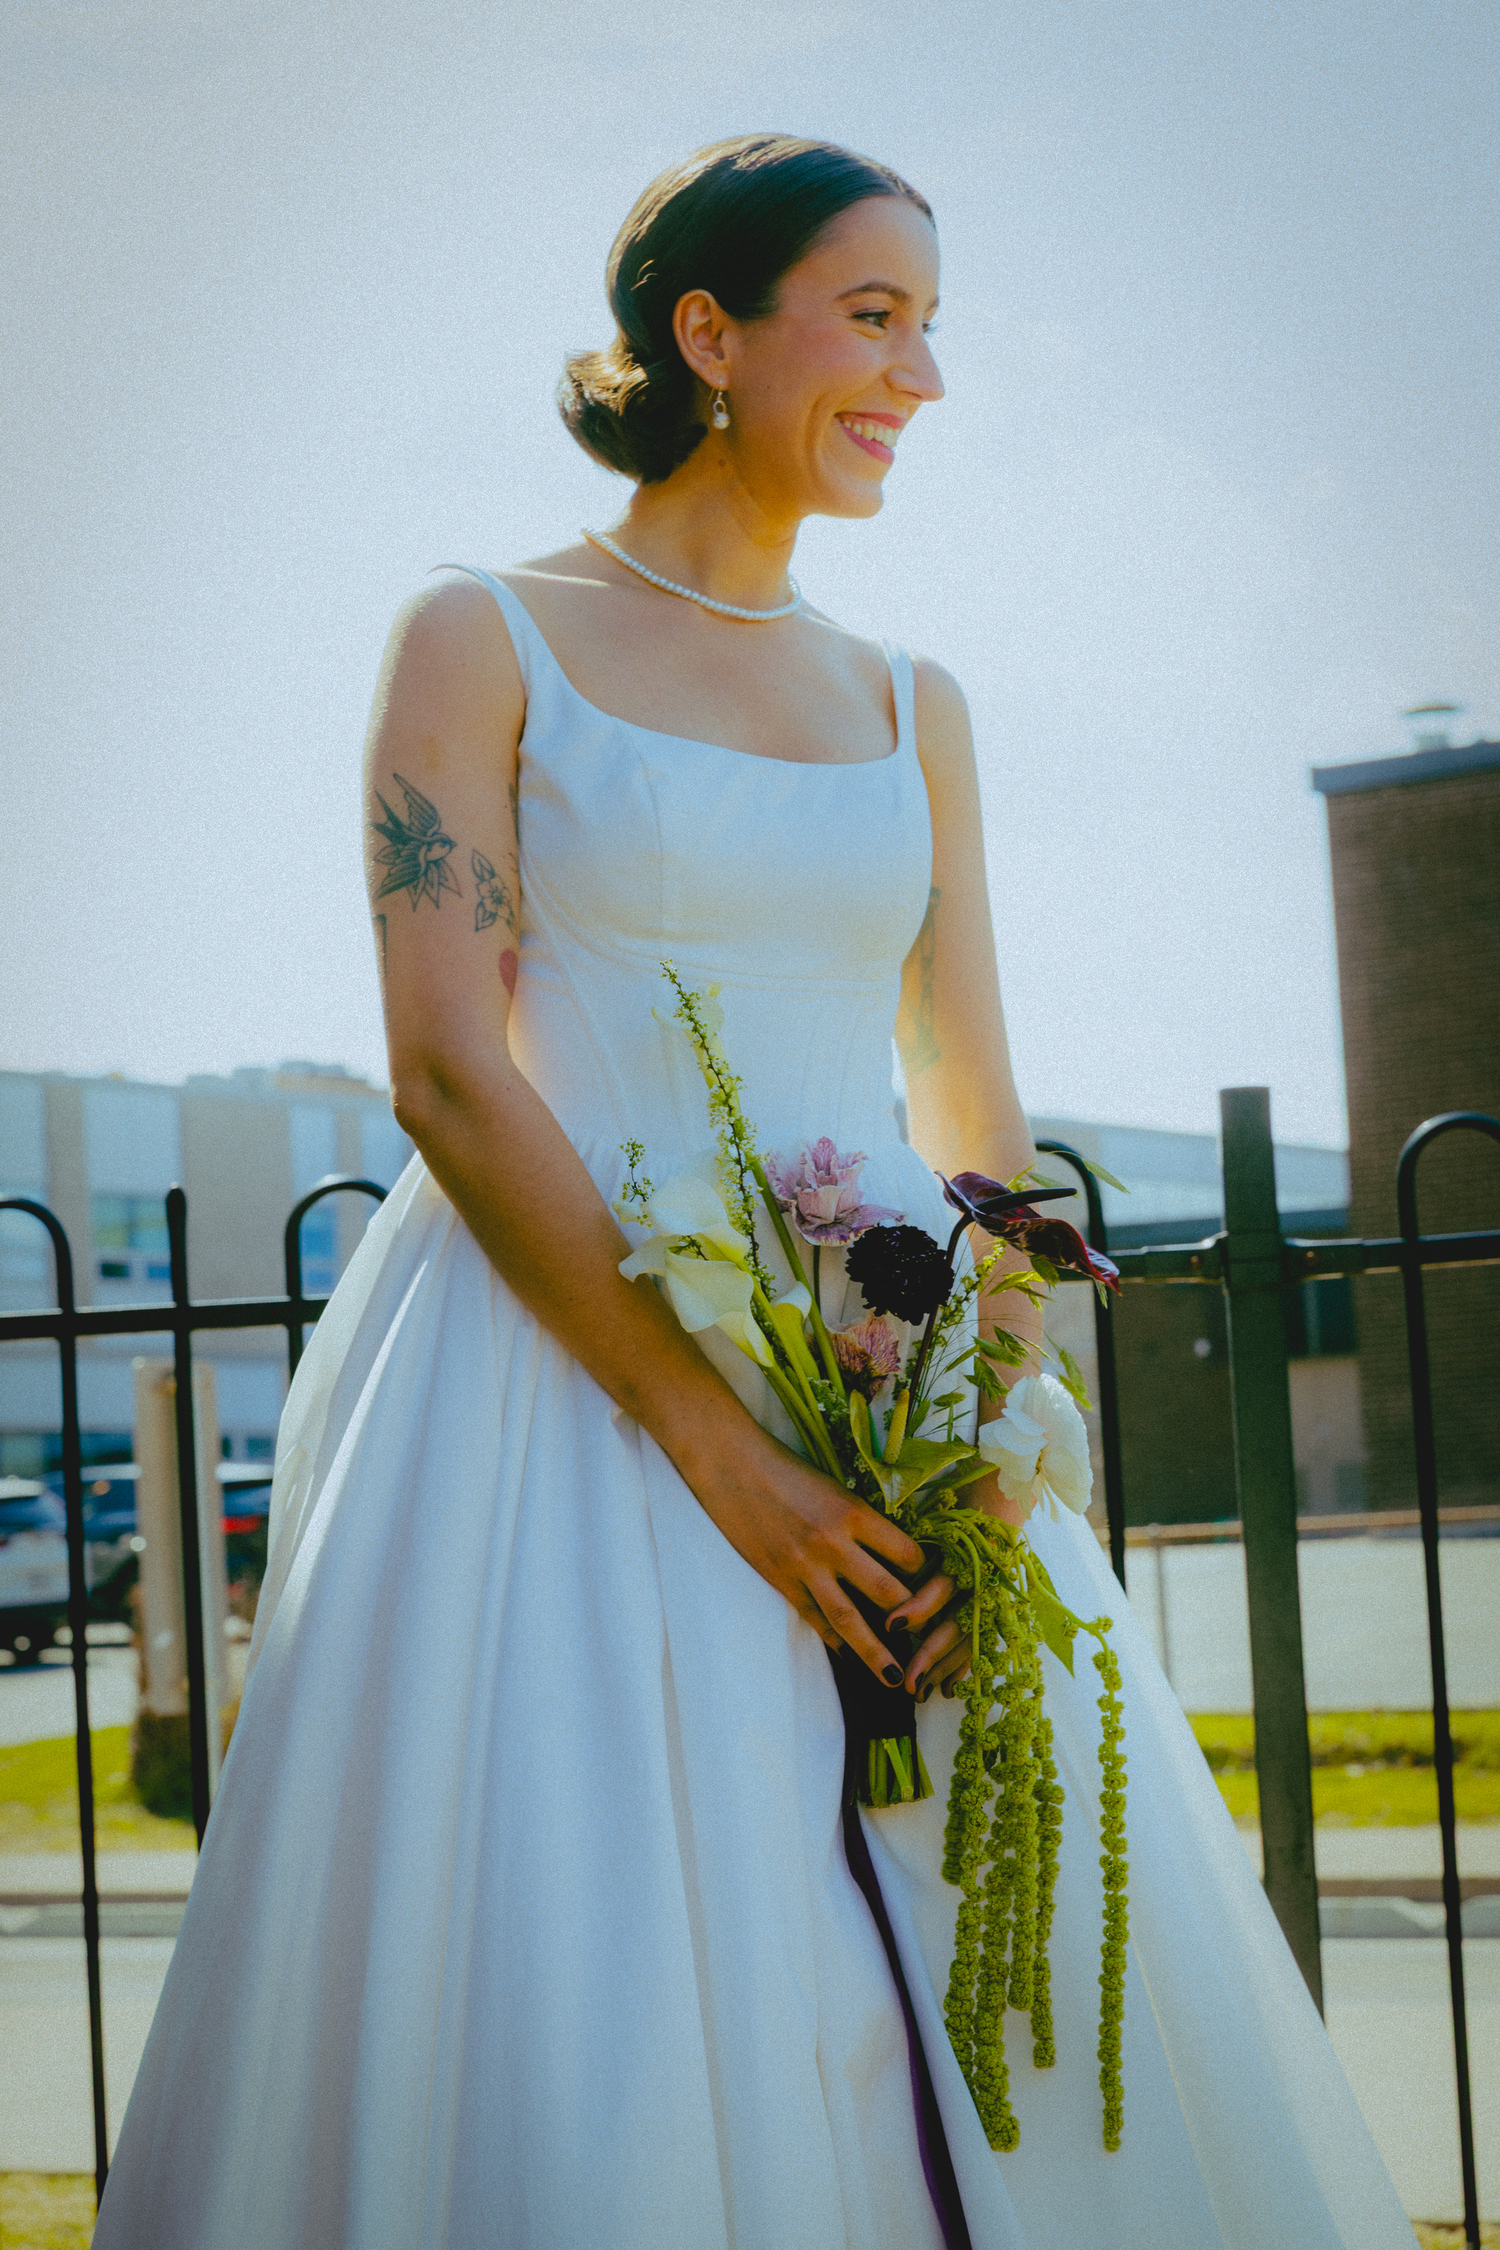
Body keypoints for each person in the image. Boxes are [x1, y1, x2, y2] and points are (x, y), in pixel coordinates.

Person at [95, 134, 1414, 2249]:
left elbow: (975, 1109)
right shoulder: (479, 634)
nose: (922, 378)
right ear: (707, 334)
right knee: (594, 1987)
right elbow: (448, 1070)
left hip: (893, 1381)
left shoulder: (916, 702)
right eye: (874, 319)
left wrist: (984, 1445)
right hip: (556, 1406)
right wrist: (727, 1460)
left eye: (932, 328)